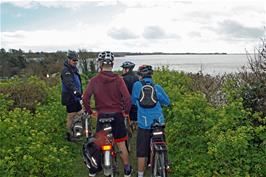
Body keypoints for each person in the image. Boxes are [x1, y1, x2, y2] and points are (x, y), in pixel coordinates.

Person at [83, 51, 133, 177]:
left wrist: (90, 111)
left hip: (102, 117)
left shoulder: (94, 80)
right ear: (112, 64)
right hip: (117, 116)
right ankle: (127, 170)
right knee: (121, 144)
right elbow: (127, 98)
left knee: (100, 143)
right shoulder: (118, 79)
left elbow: (85, 98)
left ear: (100, 63)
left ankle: (93, 170)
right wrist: (126, 112)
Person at [131, 65, 170, 177]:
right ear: (151, 75)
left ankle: (140, 174)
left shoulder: (137, 86)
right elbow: (167, 102)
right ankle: (165, 164)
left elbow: (133, 101)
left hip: (144, 123)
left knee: (142, 152)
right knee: (161, 142)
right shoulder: (157, 87)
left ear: (140, 76)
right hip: (158, 121)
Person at [61, 50, 83, 141]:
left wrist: (81, 92)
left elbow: (77, 82)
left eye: (76, 60)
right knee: (71, 115)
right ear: (69, 59)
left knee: (80, 113)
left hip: (76, 97)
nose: (75, 62)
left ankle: (76, 130)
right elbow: (69, 84)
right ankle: (70, 135)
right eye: (74, 60)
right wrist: (76, 92)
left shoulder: (74, 69)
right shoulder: (66, 70)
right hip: (70, 97)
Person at [120, 61, 139, 129]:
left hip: (125, 101)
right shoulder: (137, 78)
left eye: (123, 69)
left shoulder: (122, 79)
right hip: (135, 102)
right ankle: (134, 127)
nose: (122, 70)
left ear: (127, 69)